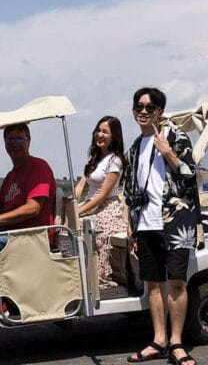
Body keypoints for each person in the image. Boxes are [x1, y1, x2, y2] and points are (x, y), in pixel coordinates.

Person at [124, 87, 199, 365]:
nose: (144, 112)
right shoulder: (135, 147)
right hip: (145, 223)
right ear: (133, 111)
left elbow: (190, 175)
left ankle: (177, 343)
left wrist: (168, 154)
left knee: (177, 283)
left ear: (160, 111)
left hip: (175, 221)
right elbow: (130, 191)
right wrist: (132, 226)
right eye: (139, 107)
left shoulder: (177, 137)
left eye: (150, 107)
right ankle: (159, 340)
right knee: (153, 285)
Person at [74, 116, 130, 289]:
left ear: (114, 136)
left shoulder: (115, 161)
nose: (100, 134)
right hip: (91, 204)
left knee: (86, 226)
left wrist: (79, 212)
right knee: (68, 223)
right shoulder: (95, 159)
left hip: (106, 207)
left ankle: (97, 275)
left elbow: (103, 195)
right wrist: (70, 203)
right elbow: (81, 186)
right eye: (98, 131)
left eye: (105, 132)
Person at [0, 123, 57, 252]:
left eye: (19, 139)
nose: (14, 144)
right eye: (9, 140)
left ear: (28, 141)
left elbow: (33, 208)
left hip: (32, 237)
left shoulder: (39, 167)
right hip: (11, 232)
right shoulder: (10, 176)